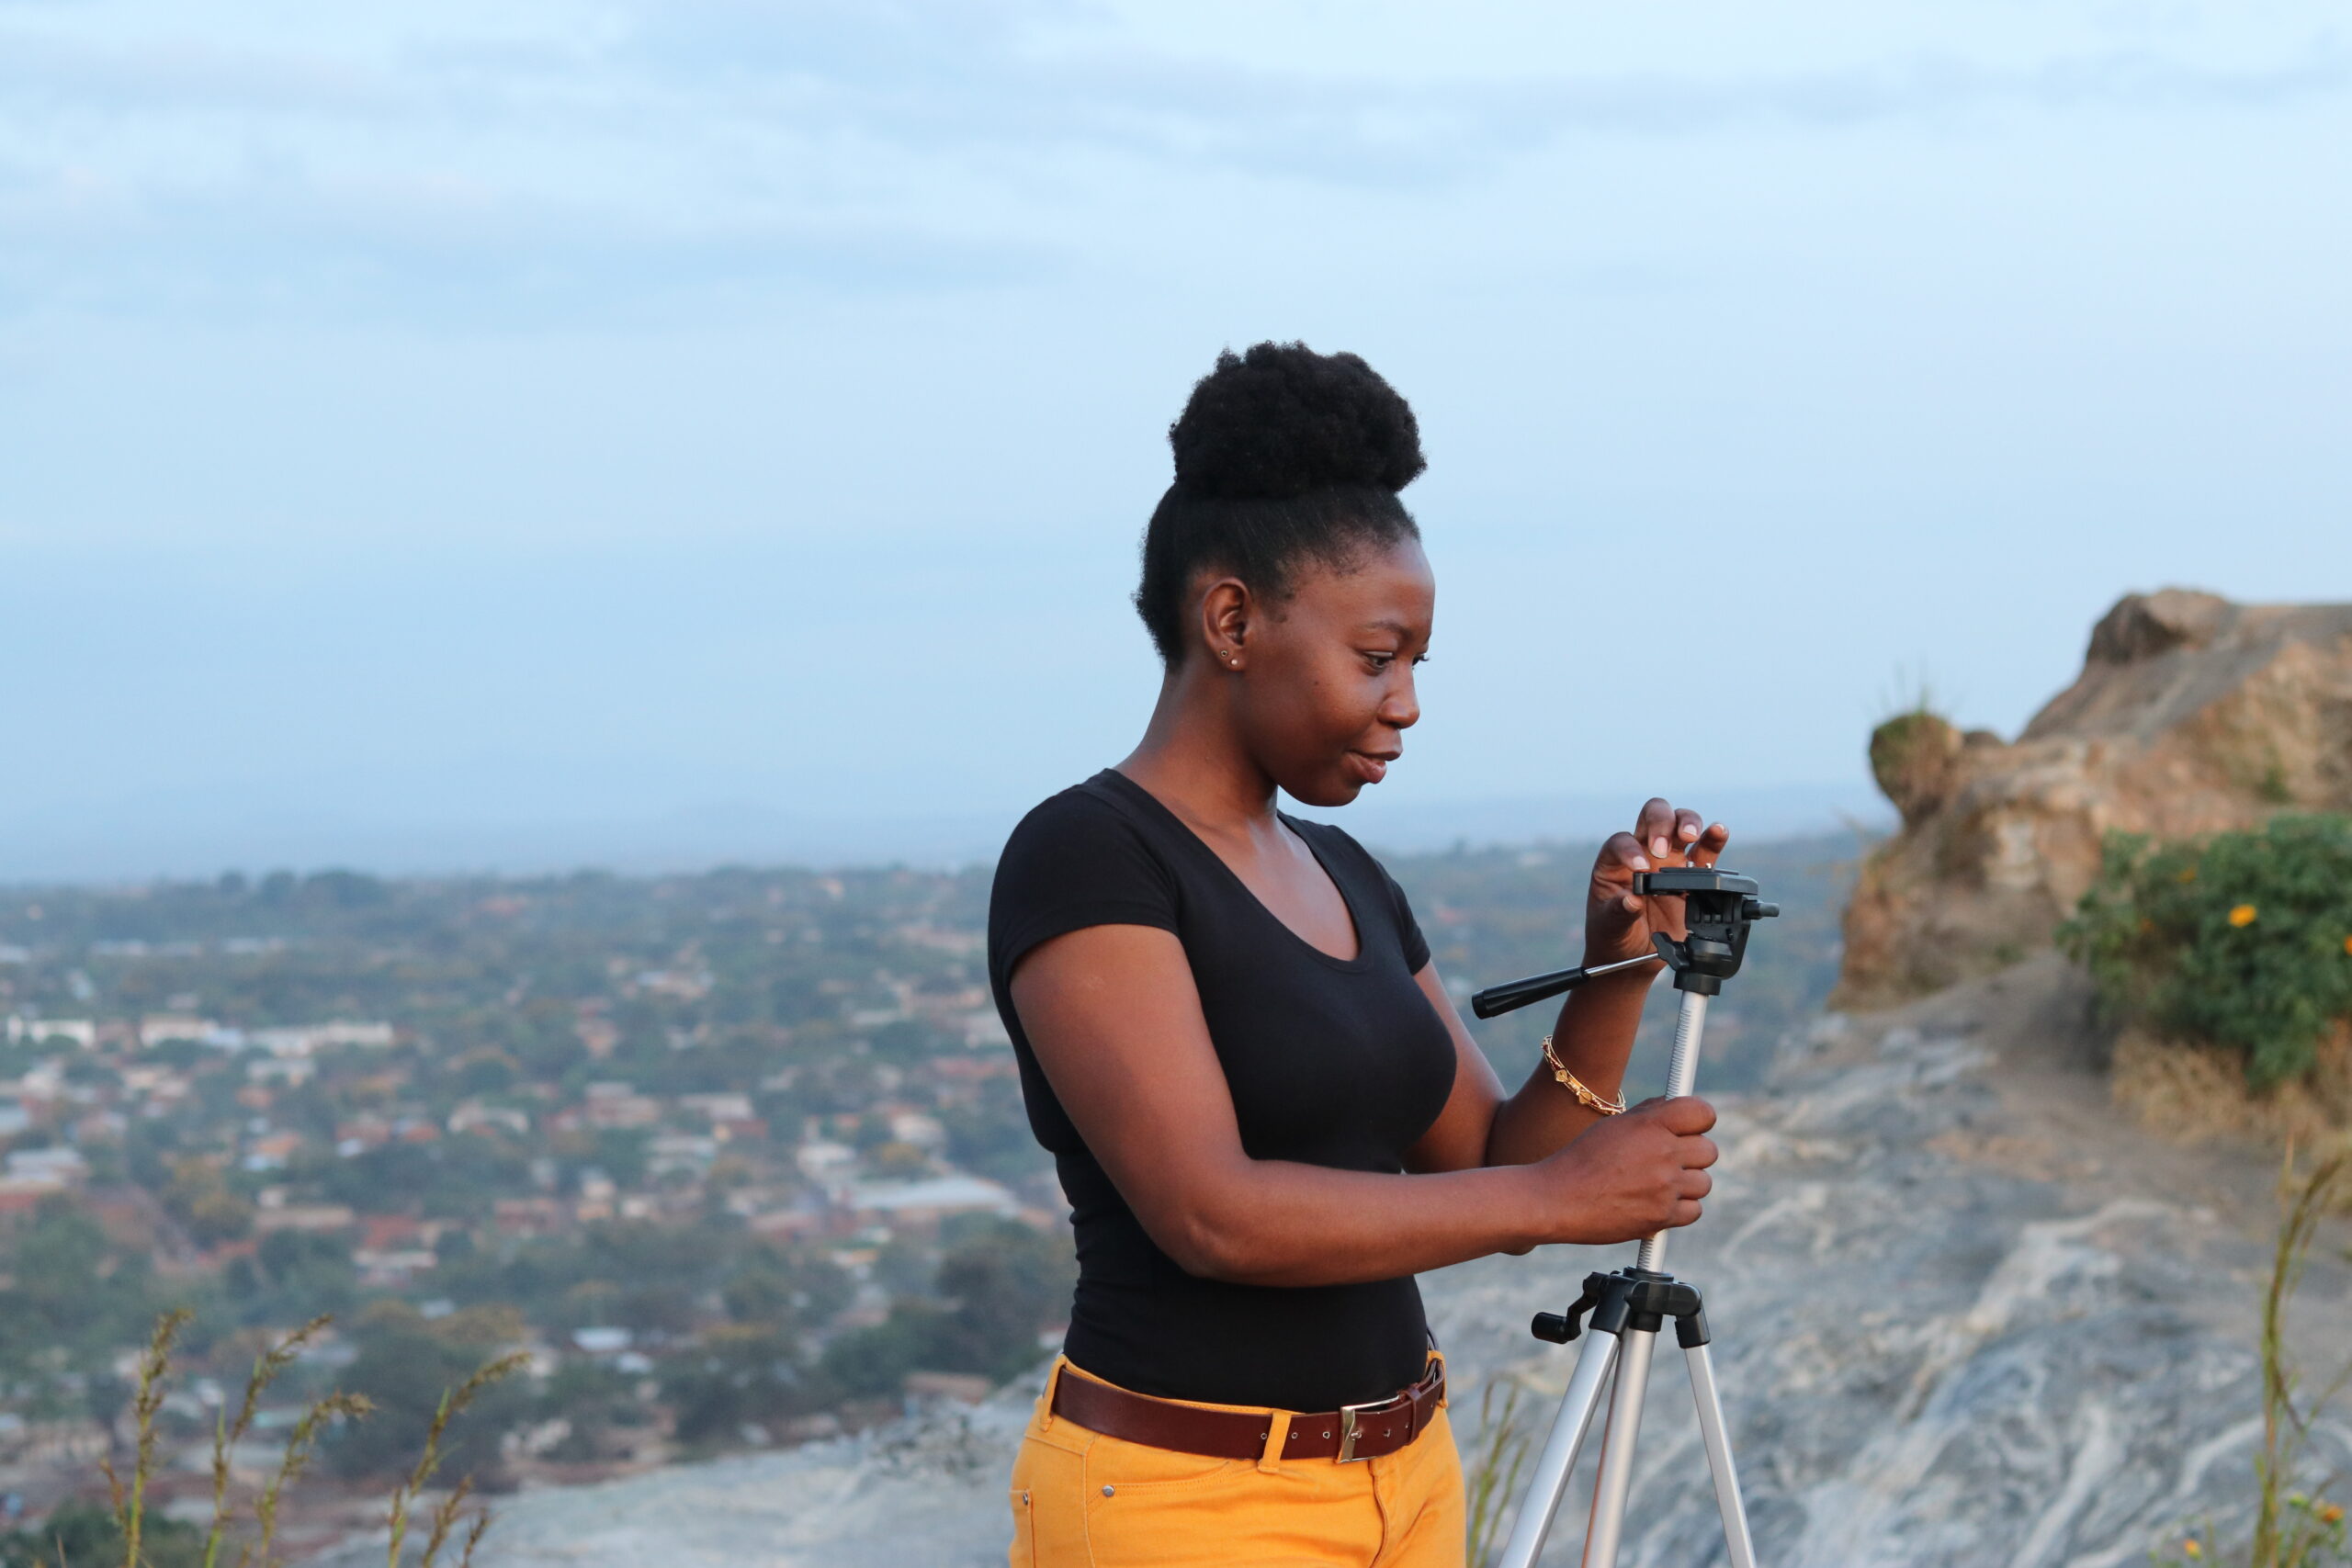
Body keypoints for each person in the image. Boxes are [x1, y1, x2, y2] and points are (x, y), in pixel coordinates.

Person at [986, 343, 1725, 1568]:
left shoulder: (1344, 874)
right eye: (1376, 657)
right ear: (1231, 618)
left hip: (1406, 1485)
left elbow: (1489, 1157)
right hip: (1187, 1504)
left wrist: (1616, 965)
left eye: (1416, 666)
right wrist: (1555, 1198)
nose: (1408, 703)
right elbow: (1210, 1214)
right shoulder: (1091, 855)